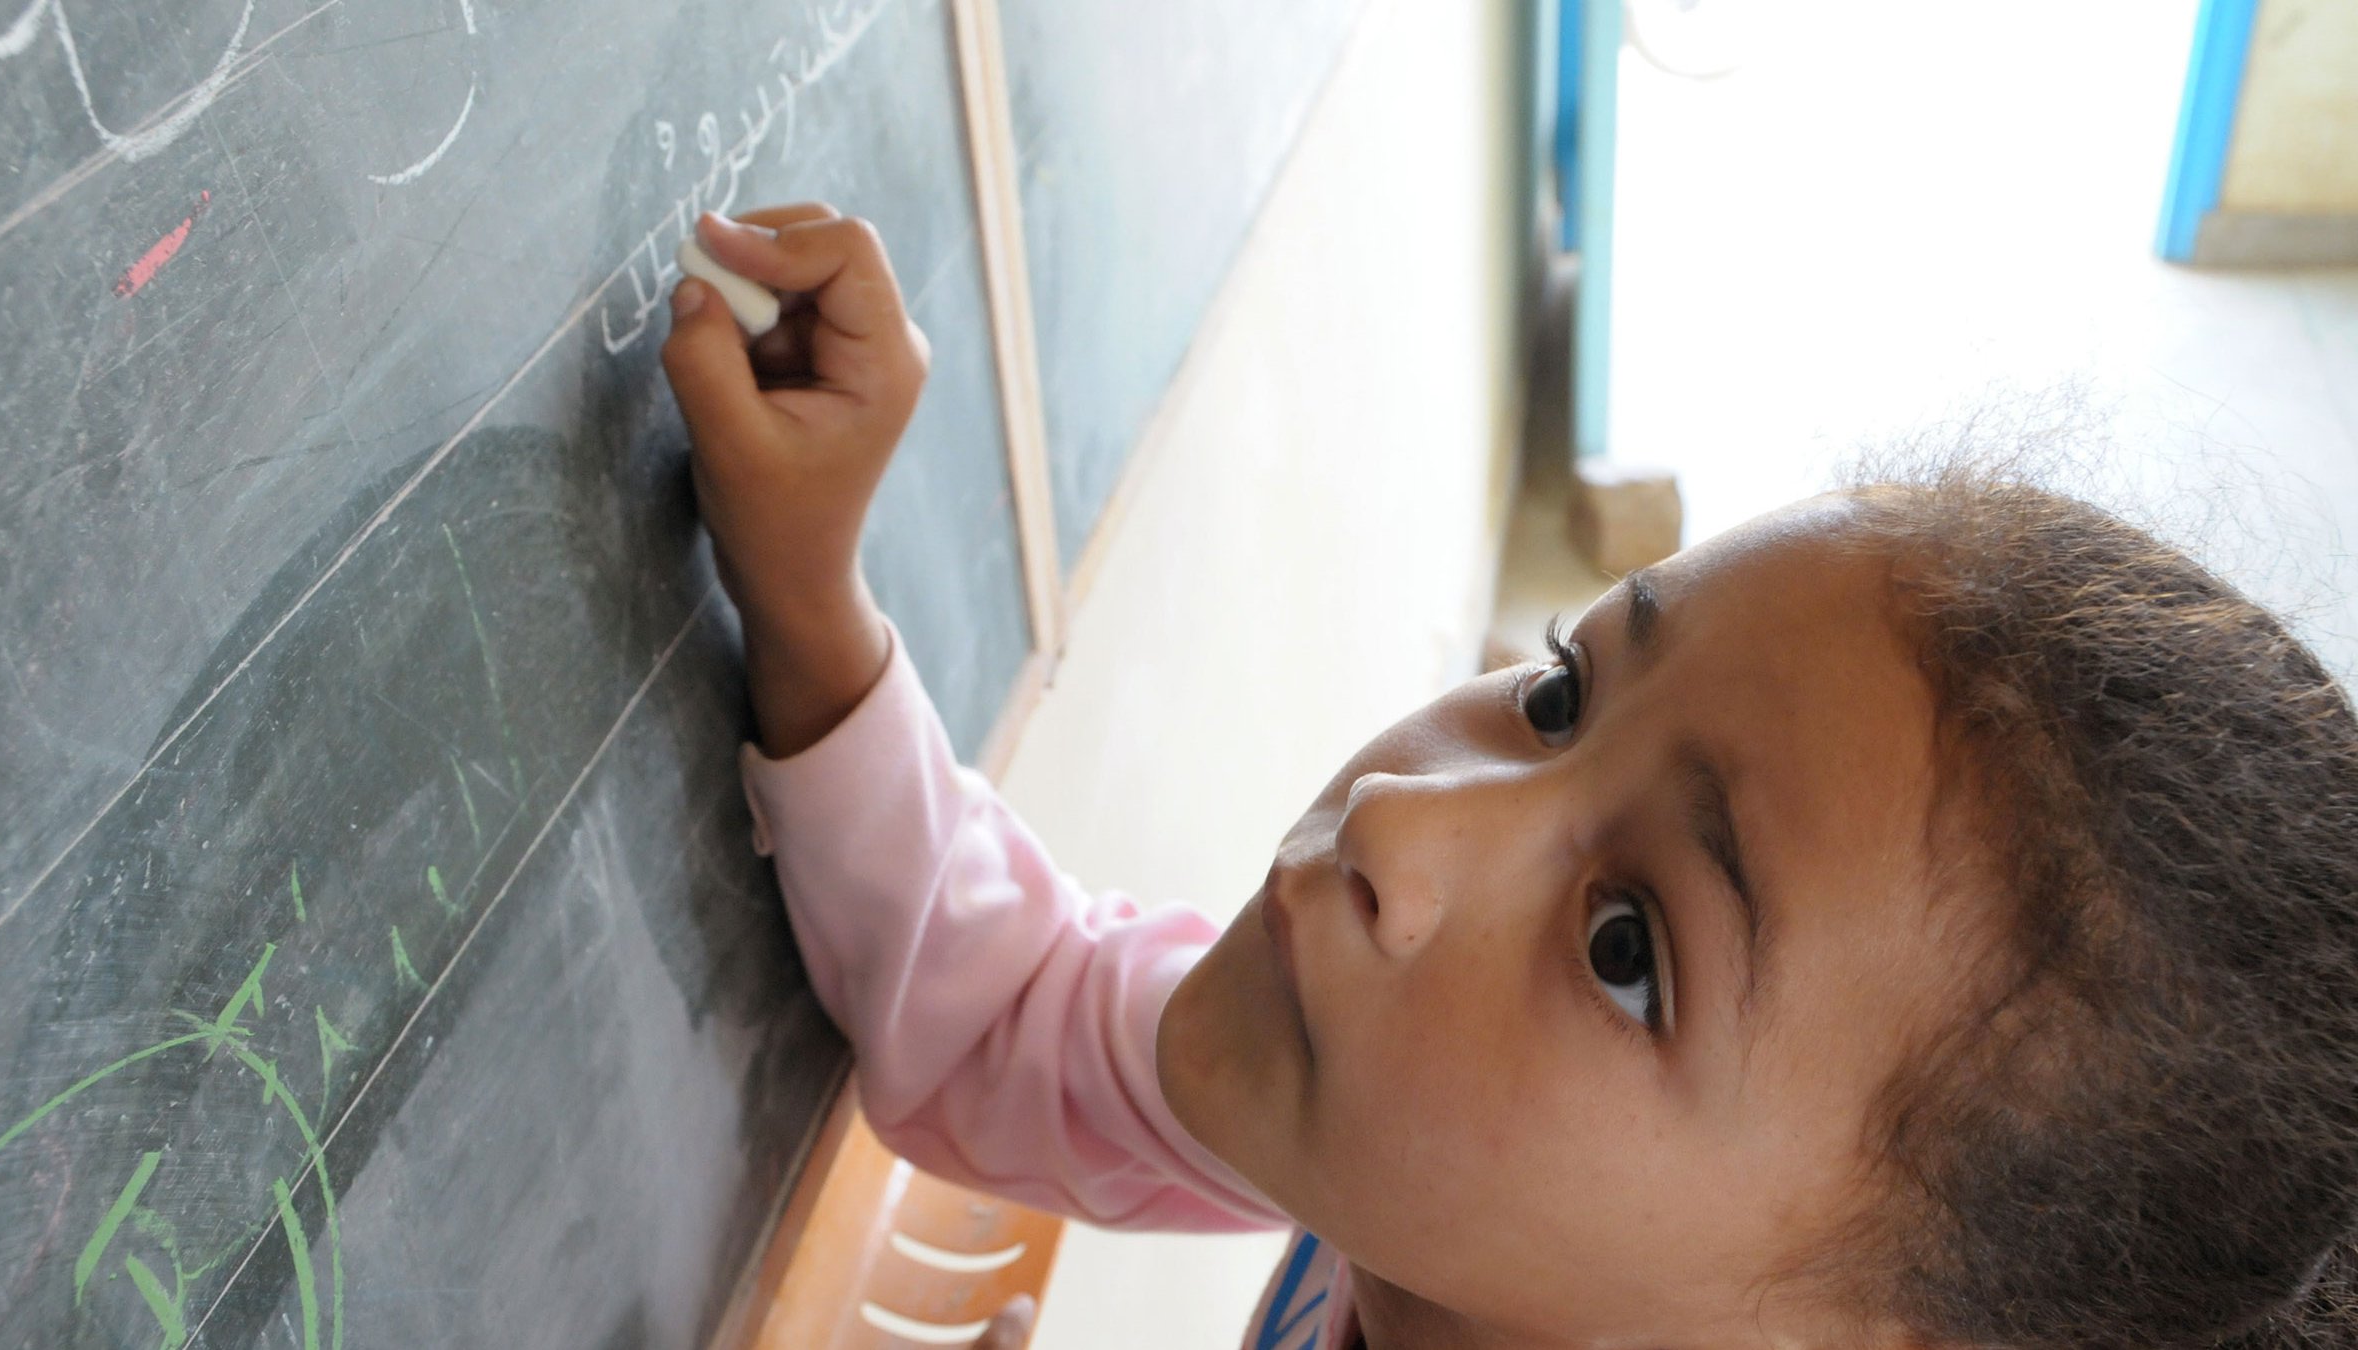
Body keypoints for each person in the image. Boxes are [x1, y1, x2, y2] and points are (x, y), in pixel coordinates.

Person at [660, 204, 2358, 1350]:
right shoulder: (1398, 1180)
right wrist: (809, 600)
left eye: (1629, 947)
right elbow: (1015, 1013)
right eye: (1561, 690)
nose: (1403, 817)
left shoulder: (1420, 1137)